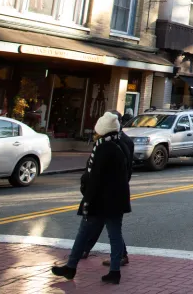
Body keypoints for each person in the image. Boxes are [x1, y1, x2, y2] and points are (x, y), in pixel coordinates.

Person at [52, 112, 131, 285]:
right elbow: (127, 173)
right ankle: (114, 271)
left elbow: (94, 178)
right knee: (115, 235)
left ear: (102, 130)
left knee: (84, 233)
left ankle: (71, 266)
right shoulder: (122, 144)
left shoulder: (103, 148)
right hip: (117, 199)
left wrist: (87, 201)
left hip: (100, 200)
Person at [81, 111, 133, 265]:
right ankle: (85, 250)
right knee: (105, 226)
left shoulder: (121, 142)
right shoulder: (105, 140)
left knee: (106, 226)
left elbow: (125, 169)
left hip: (110, 192)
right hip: (106, 191)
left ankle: (117, 260)